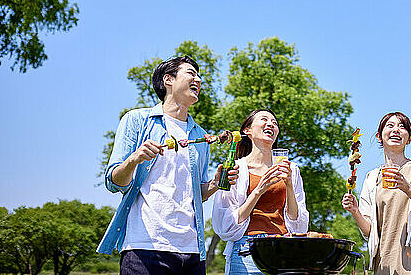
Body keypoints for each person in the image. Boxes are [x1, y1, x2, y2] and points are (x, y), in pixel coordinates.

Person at [97, 56, 238, 275]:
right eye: (191, 73)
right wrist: (134, 159)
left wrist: (216, 183)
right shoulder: (136, 120)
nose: (198, 80)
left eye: (199, 76)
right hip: (145, 246)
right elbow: (114, 181)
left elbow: (197, 194)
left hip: (192, 250)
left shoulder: (200, 136)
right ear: (168, 80)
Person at [342, 112, 411, 275]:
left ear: (409, 138)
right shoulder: (371, 178)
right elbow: (370, 232)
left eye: (402, 127)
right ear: (379, 136)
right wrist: (355, 211)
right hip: (385, 261)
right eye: (390, 125)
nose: (396, 130)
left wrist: (408, 188)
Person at [212, 109, 309, 275]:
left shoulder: (291, 169)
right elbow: (225, 226)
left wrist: (289, 185)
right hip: (246, 251)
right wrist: (258, 190)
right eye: (264, 119)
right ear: (247, 130)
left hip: (283, 251)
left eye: (275, 122)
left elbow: (298, 224)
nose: (271, 124)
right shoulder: (235, 169)